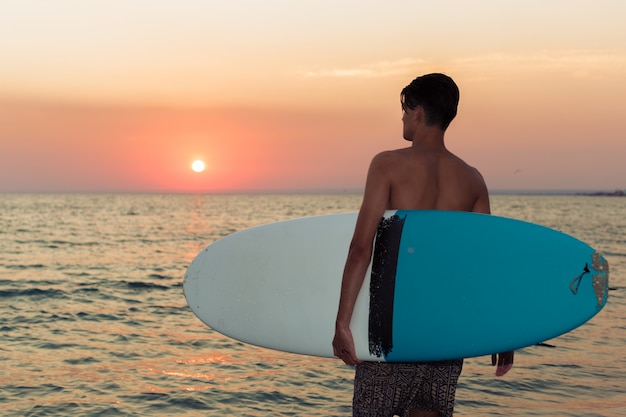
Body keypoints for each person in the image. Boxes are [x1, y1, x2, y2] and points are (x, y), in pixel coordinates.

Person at [332, 73, 514, 417]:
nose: (401, 118)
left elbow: (360, 248)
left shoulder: (387, 164)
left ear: (416, 112)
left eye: (403, 110)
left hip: (391, 330)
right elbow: (484, 264)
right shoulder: (473, 180)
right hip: (445, 333)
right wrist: (502, 333)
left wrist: (342, 323)